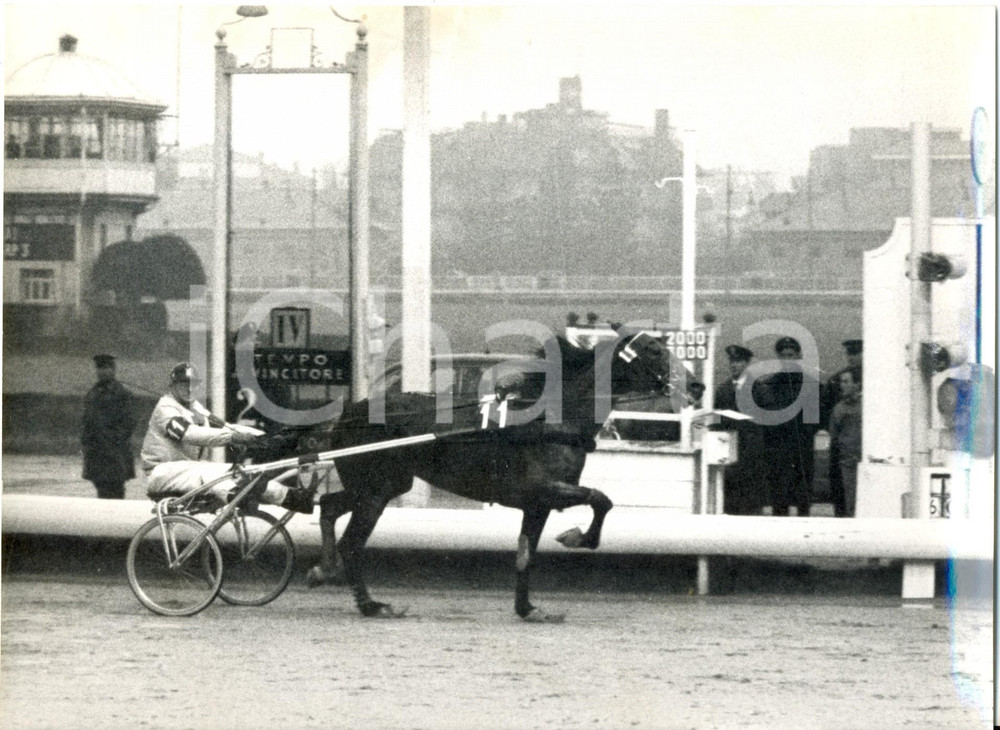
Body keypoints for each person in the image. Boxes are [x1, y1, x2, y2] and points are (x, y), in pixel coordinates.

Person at [140, 362, 315, 513]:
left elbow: (225, 426)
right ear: (172, 385)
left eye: (194, 384)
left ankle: (294, 498)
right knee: (211, 473)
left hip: (186, 471)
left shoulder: (194, 406)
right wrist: (233, 438)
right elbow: (190, 434)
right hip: (161, 473)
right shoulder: (165, 408)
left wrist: (264, 437)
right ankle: (238, 497)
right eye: (184, 384)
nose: (190, 389)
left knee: (244, 474)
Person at [757, 336, 820, 517]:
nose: (787, 360)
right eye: (783, 356)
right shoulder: (770, 385)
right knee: (779, 496)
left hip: (802, 447)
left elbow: (816, 419)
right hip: (778, 448)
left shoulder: (811, 385)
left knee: (803, 498)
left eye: (790, 355)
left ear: (799, 356)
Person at [713, 344, 766, 515]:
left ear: (747, 363)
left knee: (750, 499)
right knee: (730, 498)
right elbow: (716, 420)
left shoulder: (759, 389)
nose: (734, 365)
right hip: (728, 450)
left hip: (751, 452)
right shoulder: (722, 390)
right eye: (732, 361)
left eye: (739, 361)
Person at [81, 354, 137, 499]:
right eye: (100, 368)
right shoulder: (92, 393)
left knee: (116, 490)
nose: (103, 371)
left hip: (115, 453)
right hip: (96, 453)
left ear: (113, 370)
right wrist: (87, 441)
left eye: (106, 368)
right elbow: (86, 421)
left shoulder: (122, 394)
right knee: (101, 490)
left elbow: (129, 422)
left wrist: (113, 438)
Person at [821, 339, 862, 517]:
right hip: (842, 443)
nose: (852, 357)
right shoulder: (836, 380)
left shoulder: (876, 379)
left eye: (857, 353)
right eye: (850, 353)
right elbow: (826, 410)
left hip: (860, 444)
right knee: (840, 489)